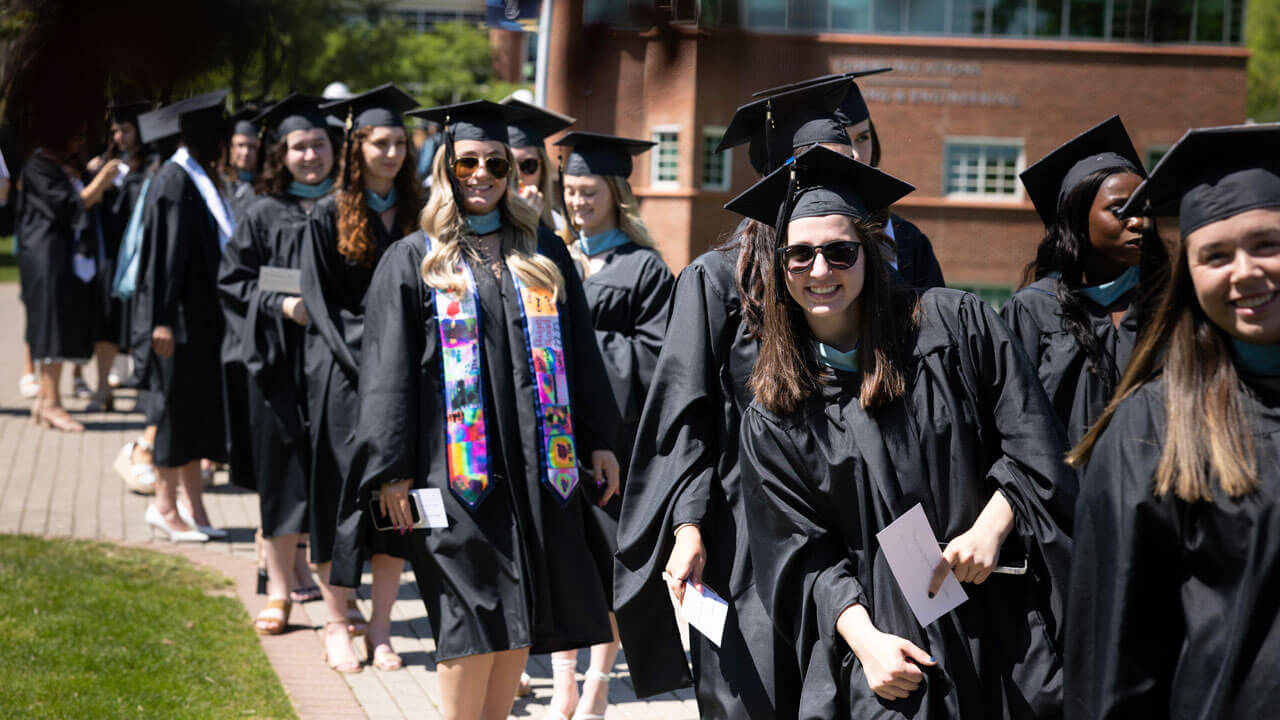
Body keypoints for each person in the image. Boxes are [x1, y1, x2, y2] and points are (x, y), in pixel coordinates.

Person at [733, 146, 1074, 719]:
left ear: (868, 251)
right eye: (800, 256)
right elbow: (802, 554)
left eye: (840, 251)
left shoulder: (954, 325)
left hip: (1002, 622)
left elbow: (1034, 445)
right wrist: (868, 645)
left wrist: (991, 528)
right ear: (780, 265)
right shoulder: (776, 409)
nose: (821, 271)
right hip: (889, 644)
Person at [359, 99, 621, 720]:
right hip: (452, 474)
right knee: (467, 615)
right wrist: (390, 468)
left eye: (495, 164)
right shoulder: (414, 258)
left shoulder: (543, 252)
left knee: (519, 616)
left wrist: (600, 439)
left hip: (538, 468)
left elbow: (581, 354)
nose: (480, 174)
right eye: (467, 162)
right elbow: (386, 372)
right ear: (444, 170)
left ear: (512, 172)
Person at [615, 78, 858, 718]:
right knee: (744, 692)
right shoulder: (716, 279)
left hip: (851, 519)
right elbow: (685, 413)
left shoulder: (872, 270)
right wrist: (689, 523)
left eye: (849, 163)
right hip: (742, 527)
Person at [1064, 123, 1280, 719]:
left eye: (1267, 243)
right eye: (1214, 254)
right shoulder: (1150, 432)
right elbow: (1114, 665)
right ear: (1189, 274)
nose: (1244, 271)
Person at [544, 131, 674, 719]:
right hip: (551, 434)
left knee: (606, 562)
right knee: (559, 558)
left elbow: (655, 355)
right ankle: (561, 681)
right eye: (569, 191)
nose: (577, 202)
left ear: (615, 194)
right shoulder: (550, 258)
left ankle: (597, 681)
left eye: (588, 191)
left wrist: (574, 345)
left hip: (609, 440)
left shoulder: (644, 267)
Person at [301, 83, 423, 674]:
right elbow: (321, 303)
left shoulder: (420, 216)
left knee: (396, 504)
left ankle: (380, 629)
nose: (393, 152)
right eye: (381, 142)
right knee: (338, 498)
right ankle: (334, 623)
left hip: (406, 385)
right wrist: (377, 358)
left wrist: (402, 362)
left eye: (401, 142)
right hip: (345, 379)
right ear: (357, 146)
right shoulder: (327, 215)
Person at [217, 93, 340, 640]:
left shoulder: (347, 208)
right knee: (281, 474)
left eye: (318, 144)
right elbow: (235, 280)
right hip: (278, 360)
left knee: (332, 475)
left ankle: (339, 598)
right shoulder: (264, 212)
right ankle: (278, 592)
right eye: (298, 147)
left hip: (337, 362)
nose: (310, 155)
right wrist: (283, 305)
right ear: (281, 153)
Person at [1002, 116, 1167, 446]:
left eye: (1143, 208)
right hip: (1064, 492)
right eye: (1120, 209)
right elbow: (1011, 422)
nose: (1138, 221)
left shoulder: (1168, 303)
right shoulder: (1033, 310)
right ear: (1076, 220)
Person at [132, 89, 234, 543]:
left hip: (200, 321)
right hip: (177, 324)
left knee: (195, 415)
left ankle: (194, 505)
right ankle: (164, 506)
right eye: (219, 132)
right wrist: (162, 320)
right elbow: (164, 261)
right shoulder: (175, 181)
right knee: (174, 412)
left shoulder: (197, 176)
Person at [742, 70, 946, 290]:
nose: (855, 156)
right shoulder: (751, 247)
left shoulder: (907, 240)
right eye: (841, 143)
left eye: (863, 138)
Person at [17, 117, 121, 432]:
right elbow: (69, 206)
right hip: (45, 258)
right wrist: (102, 179)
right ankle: (52, 404)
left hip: (57, 257)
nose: (79, 141)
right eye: (75, 135)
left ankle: (45, 403)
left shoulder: (57, 164)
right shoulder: (39, 164)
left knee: (56, 326)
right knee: (51, 329)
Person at [87, 100, 152, 413]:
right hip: (111, 257)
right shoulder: (104, 166)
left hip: (140, 258)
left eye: (125, 129)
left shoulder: (153, 165)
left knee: (139, 326)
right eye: (114, 131)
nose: (118, 137)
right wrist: (100, 177)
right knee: (106, 324)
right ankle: (102, 390)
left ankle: (142, 390)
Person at [502, 97, 572, 233]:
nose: (517, 175)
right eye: (508, 164)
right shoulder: (482, 227)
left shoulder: (561, 228)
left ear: (543, 171)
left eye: (528, 165)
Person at [226, 105, 263, 218]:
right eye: (240, 145)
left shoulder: (266, 188)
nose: (245, 152)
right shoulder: (219, 186)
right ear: (231, 148)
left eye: (252, 146)